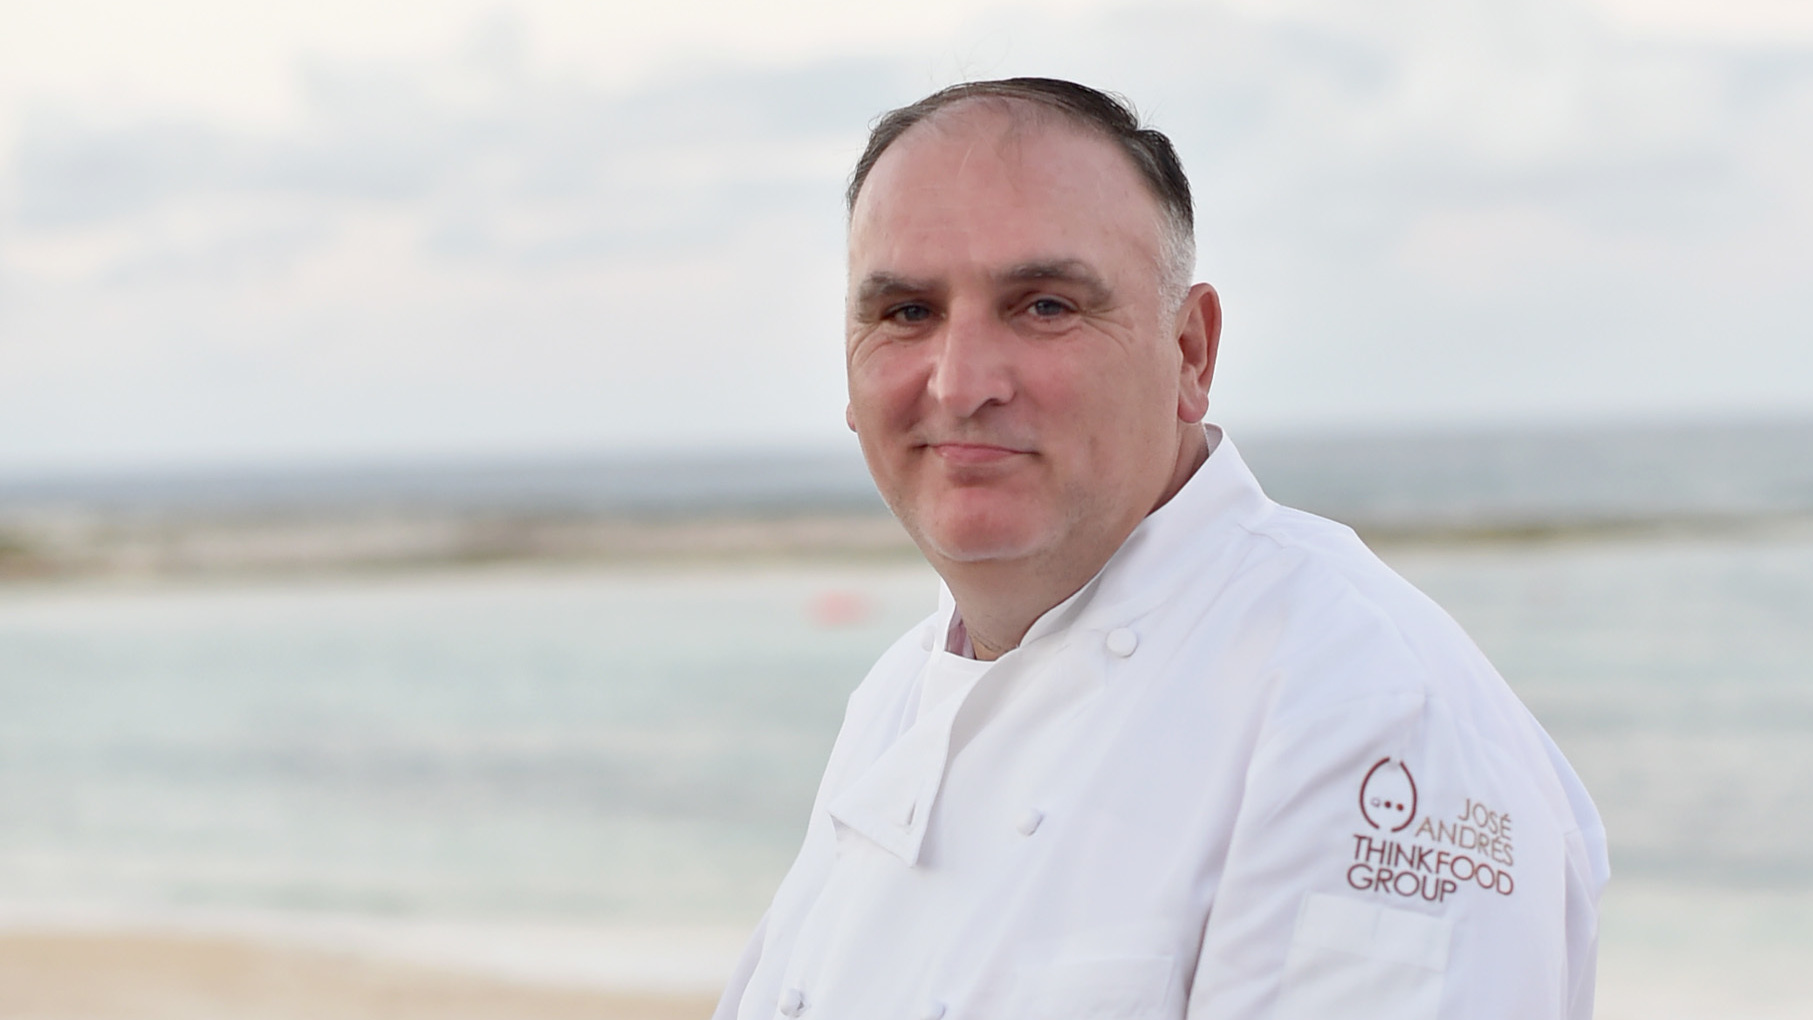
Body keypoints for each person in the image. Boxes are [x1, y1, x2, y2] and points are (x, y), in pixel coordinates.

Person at [713, 78, 1608, 1020]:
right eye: (905, 313)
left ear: (1190, 352)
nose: (961, 382)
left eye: (1045, 305)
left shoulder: (1364, 712)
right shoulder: (893, 699)